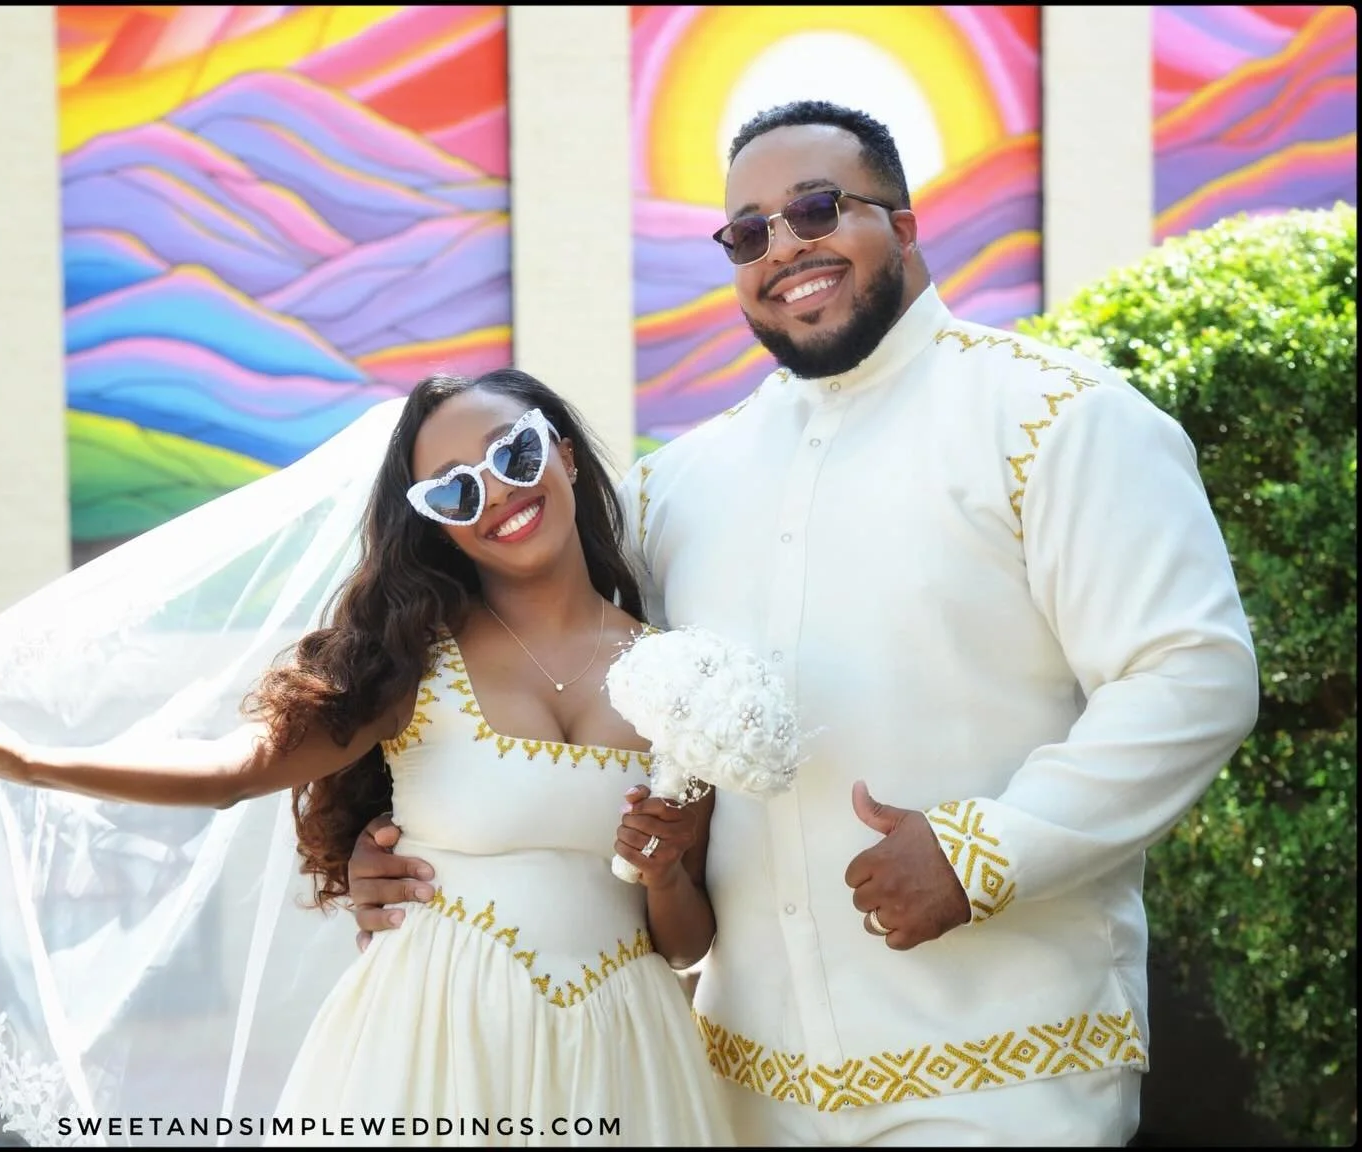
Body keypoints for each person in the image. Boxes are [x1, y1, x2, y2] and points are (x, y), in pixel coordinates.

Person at [343, 101, 1261, 1147]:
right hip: (737, 1085)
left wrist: (982, 852)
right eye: (748, 233)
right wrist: (412, 857)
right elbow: (536, 660)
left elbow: (1191, 678)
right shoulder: (677, 488)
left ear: (905, 225)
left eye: (817, 209)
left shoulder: (1056, 421)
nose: (786, 248)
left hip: (999, 1075)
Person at [0, 368, 735, 1146]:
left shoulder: (675, 676)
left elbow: (686, 941)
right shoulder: (411, 659)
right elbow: (234, 770)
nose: (497, 493)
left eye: (513, 453)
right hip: (432, 1047)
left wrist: (662, 875)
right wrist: (27, 760)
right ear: (434, 521)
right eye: (454, 489)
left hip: (625, 1058)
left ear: (560, 450)